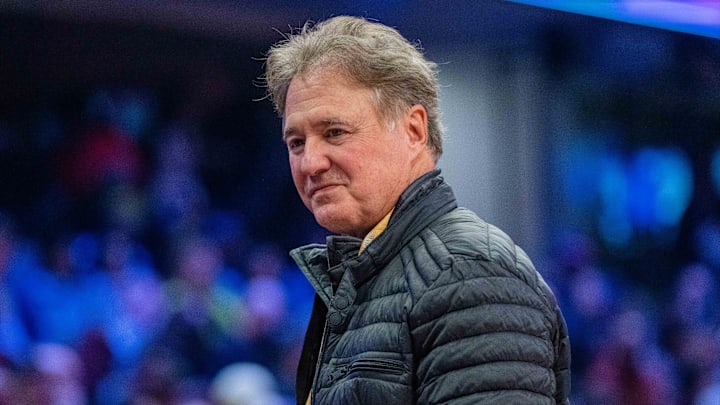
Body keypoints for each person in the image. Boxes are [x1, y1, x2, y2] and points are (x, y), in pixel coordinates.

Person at [263, 15, 571, 405]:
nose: (310, 163)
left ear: (413, 131)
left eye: (335, 133)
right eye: (296, 143)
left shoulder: (468, 273)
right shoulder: (366, 276)